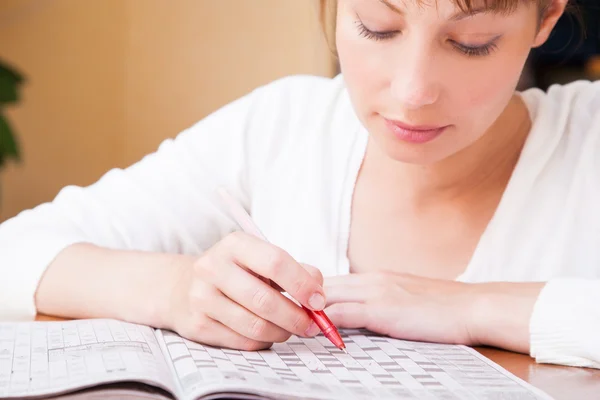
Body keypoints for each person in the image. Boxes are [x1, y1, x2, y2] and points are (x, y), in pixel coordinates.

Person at [1, 0, 598, 369]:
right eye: (378, 27)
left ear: (547, 14)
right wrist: (178, 288)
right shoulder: (282, 127)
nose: (413, 91)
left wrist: (474, 307)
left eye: (471, 43)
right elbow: (12, 255)